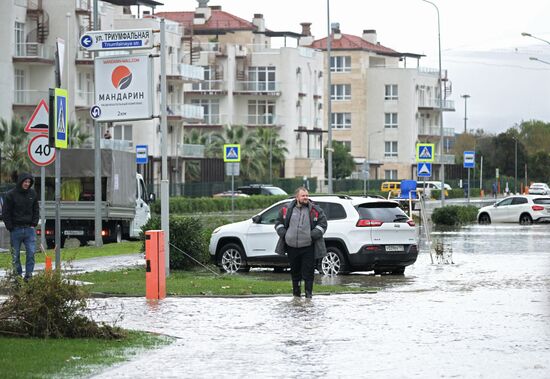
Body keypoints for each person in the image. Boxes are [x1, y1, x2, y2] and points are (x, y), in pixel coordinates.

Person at [275, 186, 327, 299]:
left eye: (307, 195)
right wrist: (283, 233)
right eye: (303, 195)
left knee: (308, 273)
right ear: (297, 197)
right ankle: (296, 296)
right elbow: (278, 222)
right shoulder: (286, 209)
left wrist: (312, 235)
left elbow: (323, 224)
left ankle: (308, 296)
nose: (306, 198)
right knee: (295, 272)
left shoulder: (315, 210)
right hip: (291, 247)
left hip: (308, 247)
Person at [2, 173, 39, 281]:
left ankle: (29, 276)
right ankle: (17, 275)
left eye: (29, 182)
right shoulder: (10, 195)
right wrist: (10, 226)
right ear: (20, 181)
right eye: (25, 181)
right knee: (15, 255)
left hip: (29, 229)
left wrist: (34, 223)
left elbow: (36, 209)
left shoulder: (33, 193)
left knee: (31, 253)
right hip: (16, 230)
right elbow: (6, 212)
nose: (27, 184)